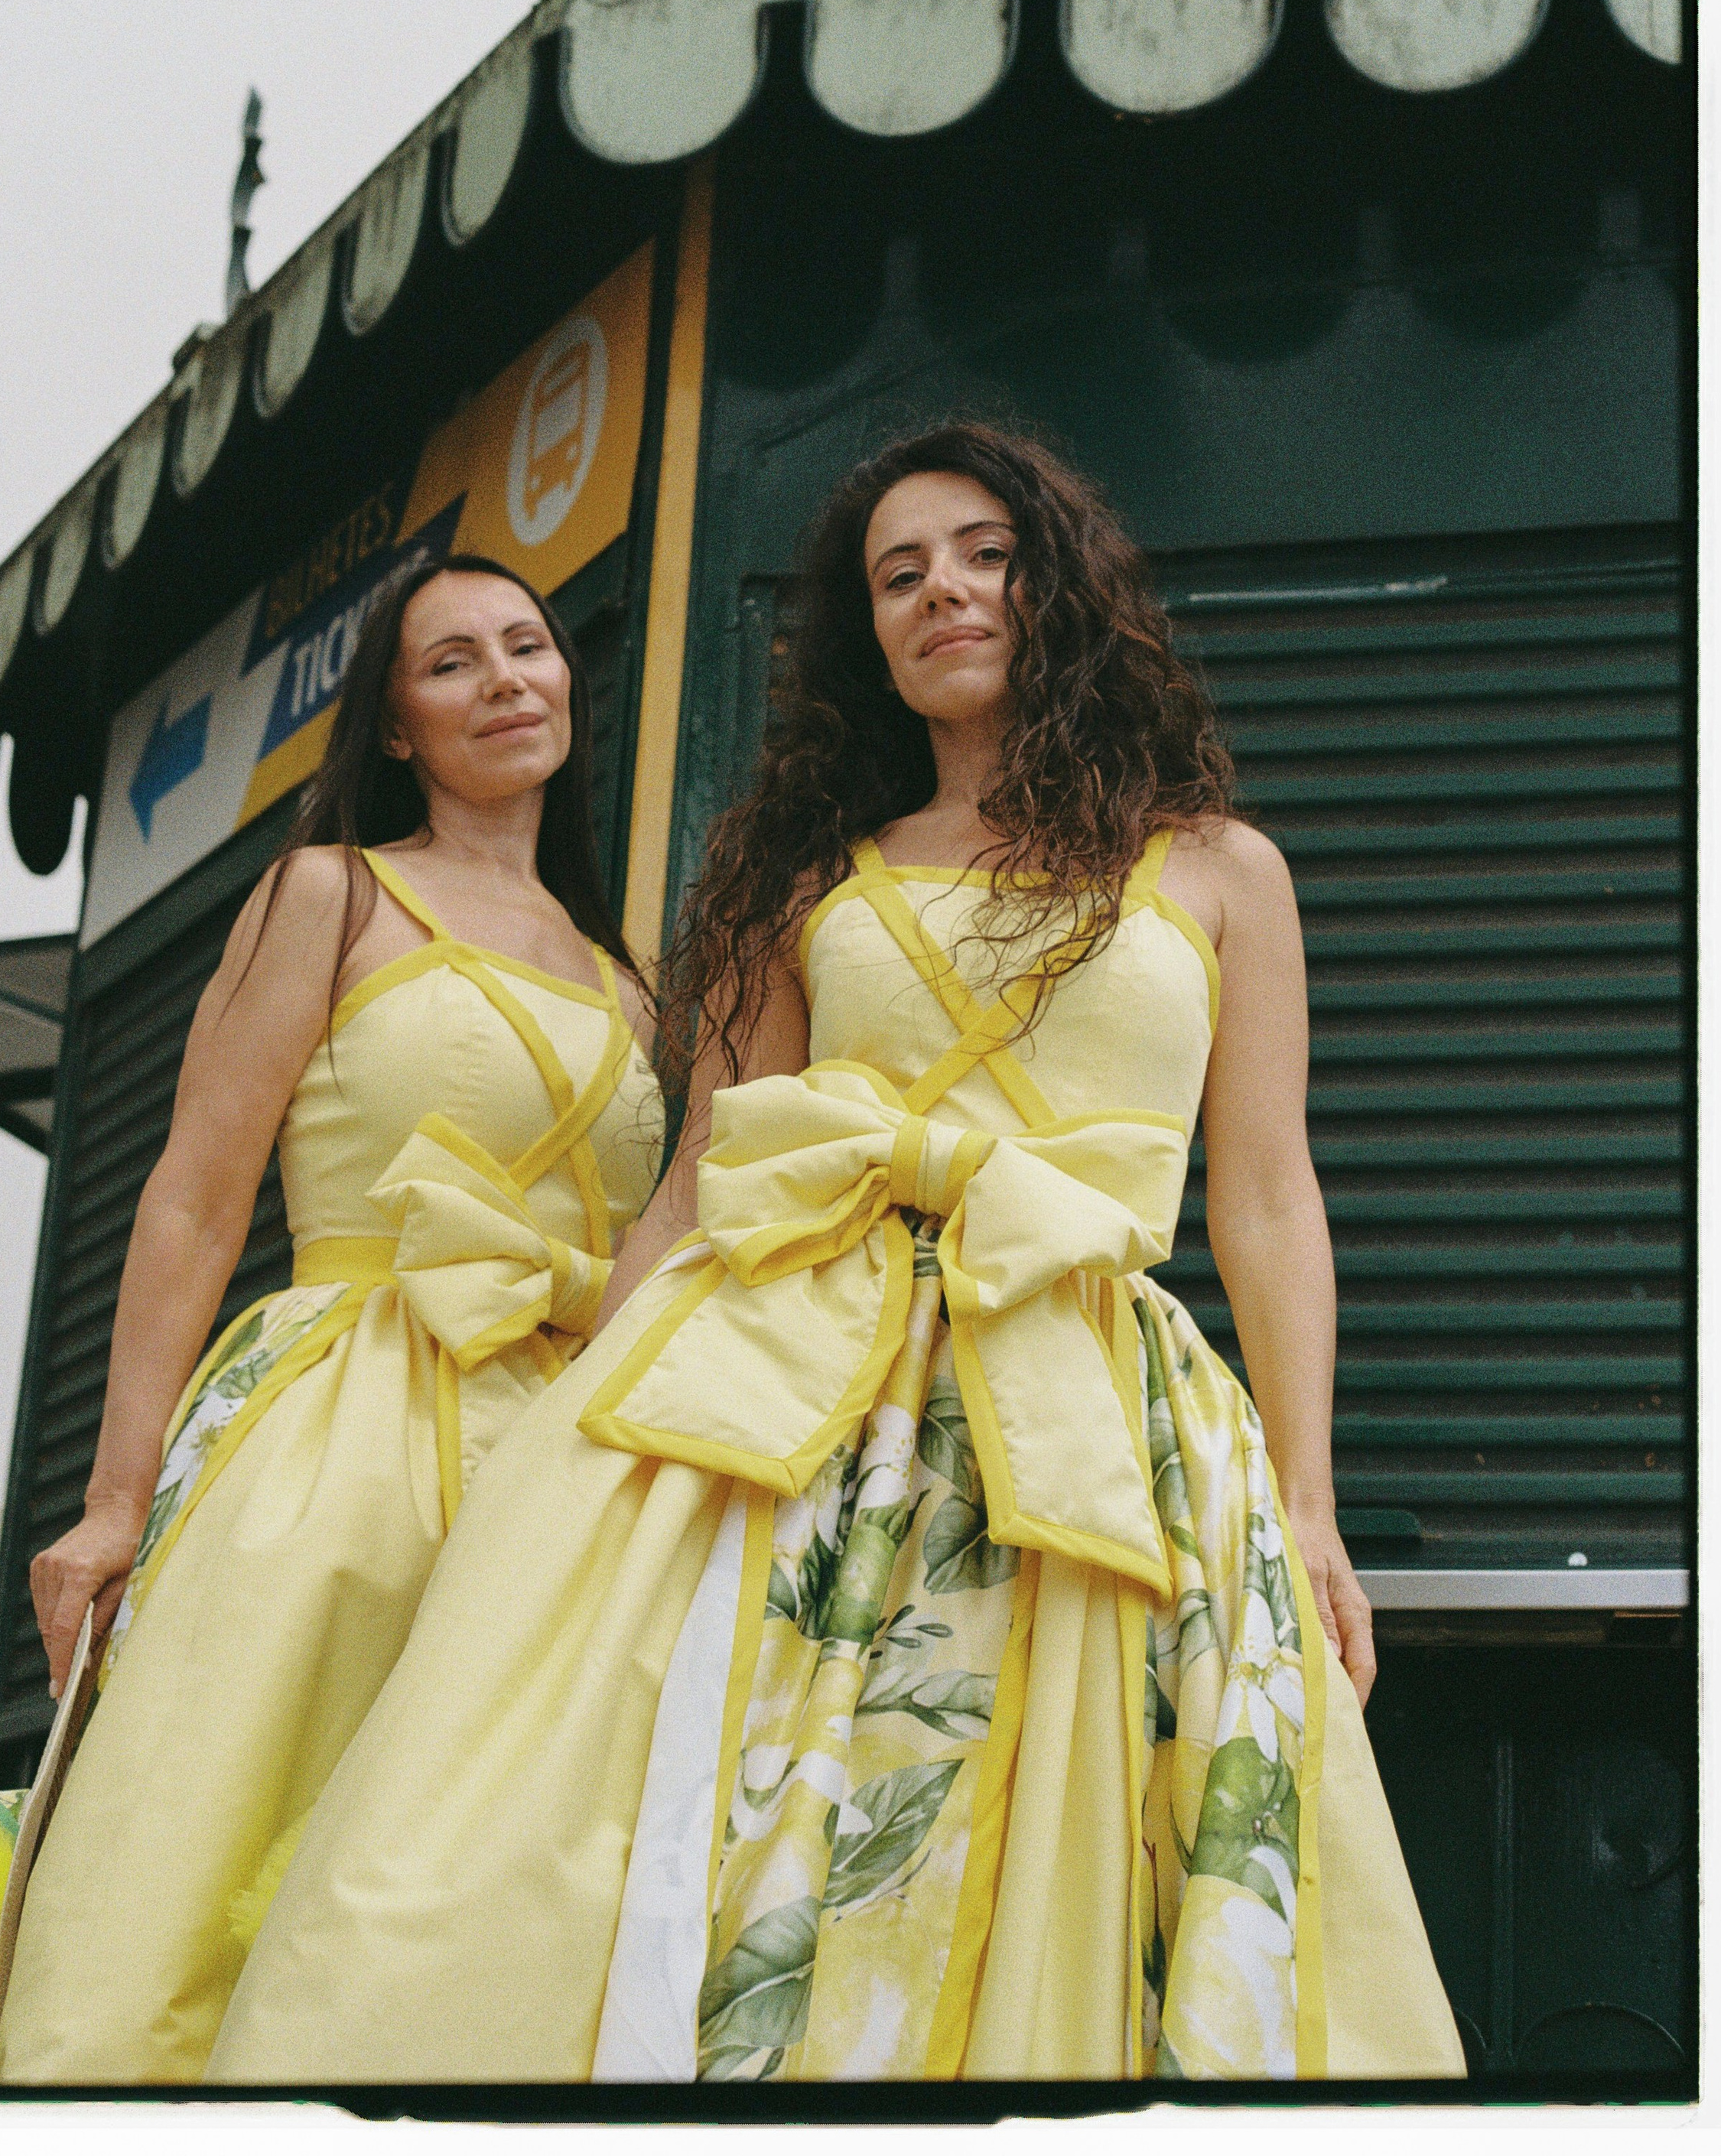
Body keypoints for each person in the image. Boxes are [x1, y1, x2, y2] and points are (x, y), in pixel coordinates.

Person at [209, 423, 1464, 2086]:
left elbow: (1263, 1200)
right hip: (812, 1410)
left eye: (980, 552)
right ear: (863, 635)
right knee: (701, 1845)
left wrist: (1304, 1505)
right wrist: (550, 1457)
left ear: (1056, 581)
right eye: (896, 573)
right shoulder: (806, 877)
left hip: (1103, 1424)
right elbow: (697, 1189)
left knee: (1081, 1851)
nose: (940, 587)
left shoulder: (1222, 870)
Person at [0, 554, 662, 2085]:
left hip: (554, 1464)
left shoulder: (630, 980)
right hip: (332, 1423)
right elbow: (196, 1199)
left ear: (569, 680)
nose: (503, 681)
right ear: (394, 725)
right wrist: (110, 1502)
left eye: (527, 648)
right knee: (209, 1823)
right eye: (452, 662)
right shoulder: (329, 887)